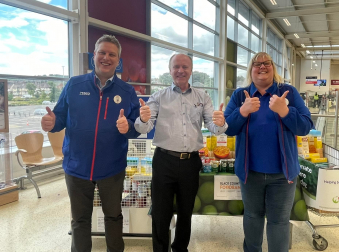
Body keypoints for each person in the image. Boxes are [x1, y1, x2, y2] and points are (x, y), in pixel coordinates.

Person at [41, 35, 140, 252]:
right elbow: (59, 117)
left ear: (118, 60)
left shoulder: (126, 91)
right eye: (102, 52)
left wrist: (129, 127)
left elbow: (135, 125)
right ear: (93, 56)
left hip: (112, 168)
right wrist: (51, 122)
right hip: (77, 167)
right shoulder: (74, 85)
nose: (106, 57)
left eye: (112, 54)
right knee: (79, 220)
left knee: (113, 217)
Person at [134, 53, 228, 252]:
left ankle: (180, 248)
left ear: (191, 70)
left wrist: (220, 123)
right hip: (164, 161)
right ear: (170, 71)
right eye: (176, 66)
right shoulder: (159, 97)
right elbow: (144, 127)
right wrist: (143, 119)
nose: (180, 70)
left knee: (186, 212)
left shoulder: (202, 97)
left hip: (190, 162)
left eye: (185, 67)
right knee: (161, 212)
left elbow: (214, 127)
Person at [224, 52, 313, 252]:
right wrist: (242, 111)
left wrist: (285, 112)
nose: (262, 66)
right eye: (257, 64)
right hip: (250, 173)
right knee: (252, 219)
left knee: (279, 223)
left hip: (282, 175)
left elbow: (305, 126)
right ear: (251, 69)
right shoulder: (240, 95)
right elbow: (227, 128)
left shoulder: (288, 92)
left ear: (273, 68)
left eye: (267, 63)